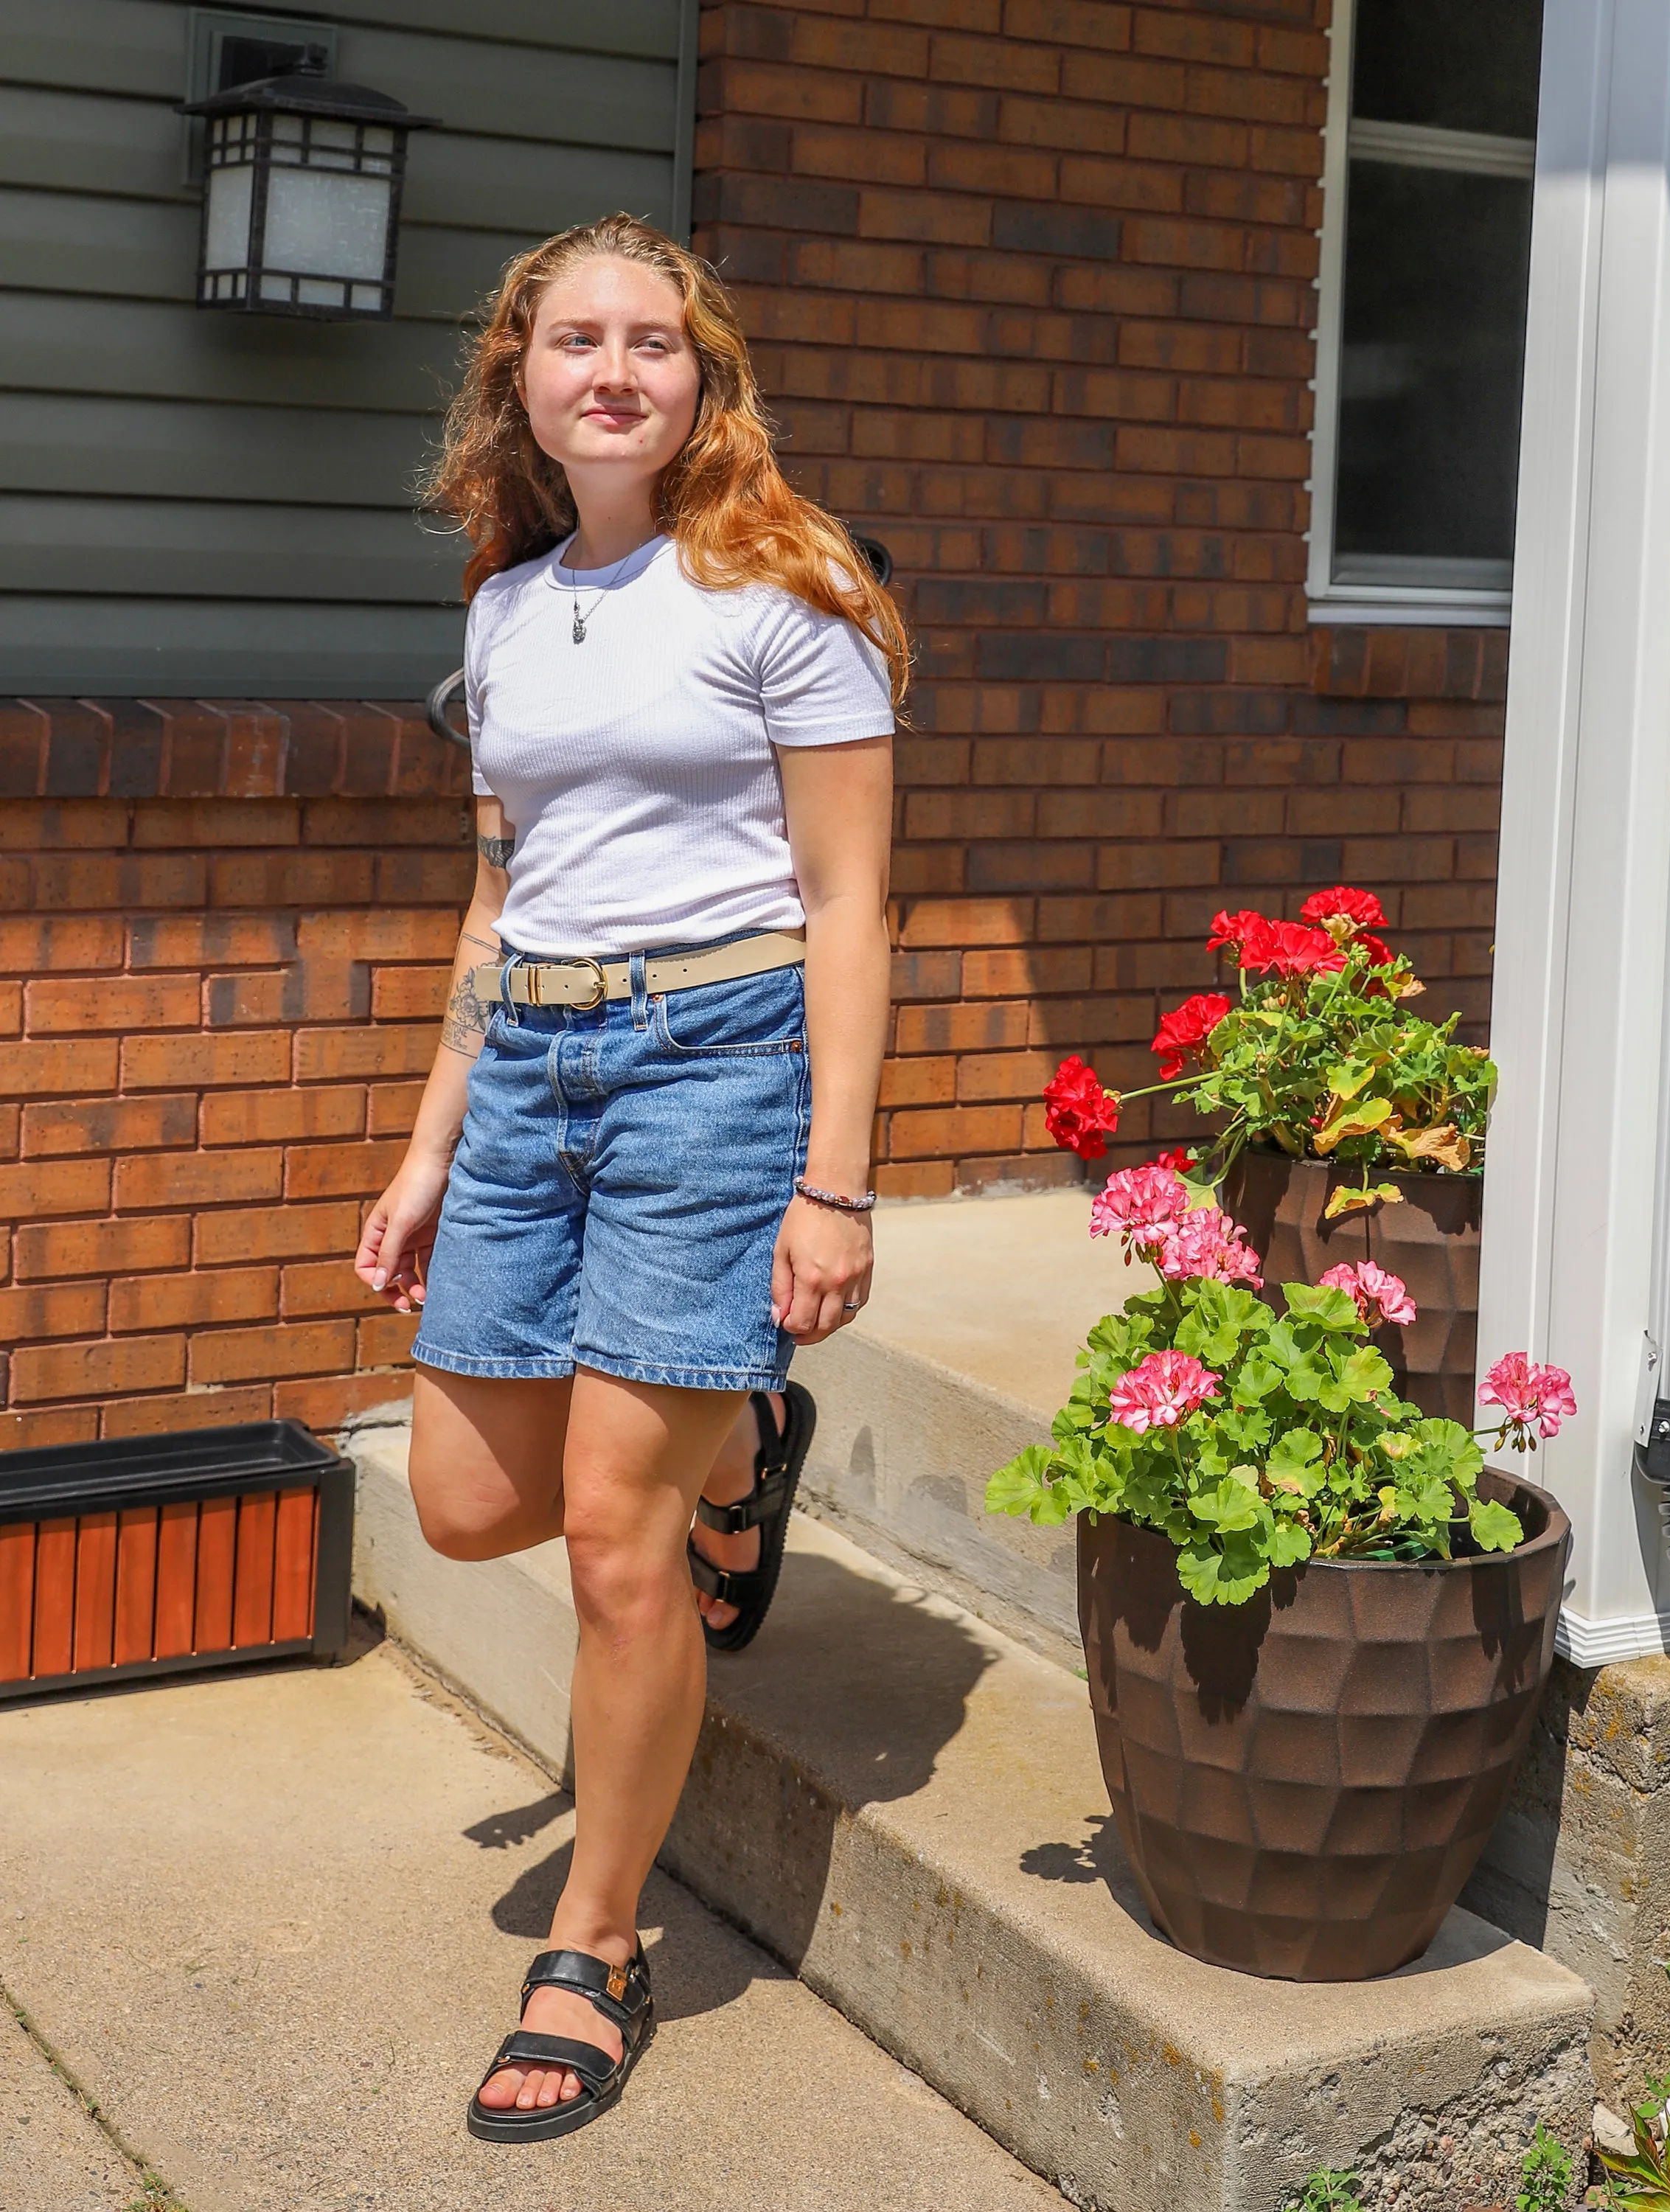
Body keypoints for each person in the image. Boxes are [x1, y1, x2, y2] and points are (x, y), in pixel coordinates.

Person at [353, 213, 900, 2143]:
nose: (613, 369)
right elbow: (497, 901)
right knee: (463, 1501)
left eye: (651, 341)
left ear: (703, 380)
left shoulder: (784, 584)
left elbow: (848, 908)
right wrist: (430, 1149)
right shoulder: (505, 611)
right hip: (531, 1083)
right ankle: (743, 1450)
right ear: (517, 377)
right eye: (572, 338)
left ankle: (595, 1945)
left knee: (607, 1539)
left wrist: (833, 1187)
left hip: (718, 1070)